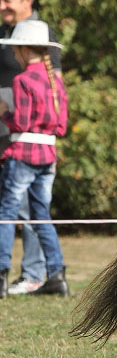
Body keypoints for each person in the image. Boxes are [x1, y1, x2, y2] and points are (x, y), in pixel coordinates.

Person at [0, 19, 69, 299]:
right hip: (47, 156)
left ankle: (1, 274)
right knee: (42, 215)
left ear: (24, 51)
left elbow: (21, 122)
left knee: (5, 215)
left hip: (23, 155)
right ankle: (56, 275)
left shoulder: (23, 80)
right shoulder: (56, 84)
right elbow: (61, 127)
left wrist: (4, 112)